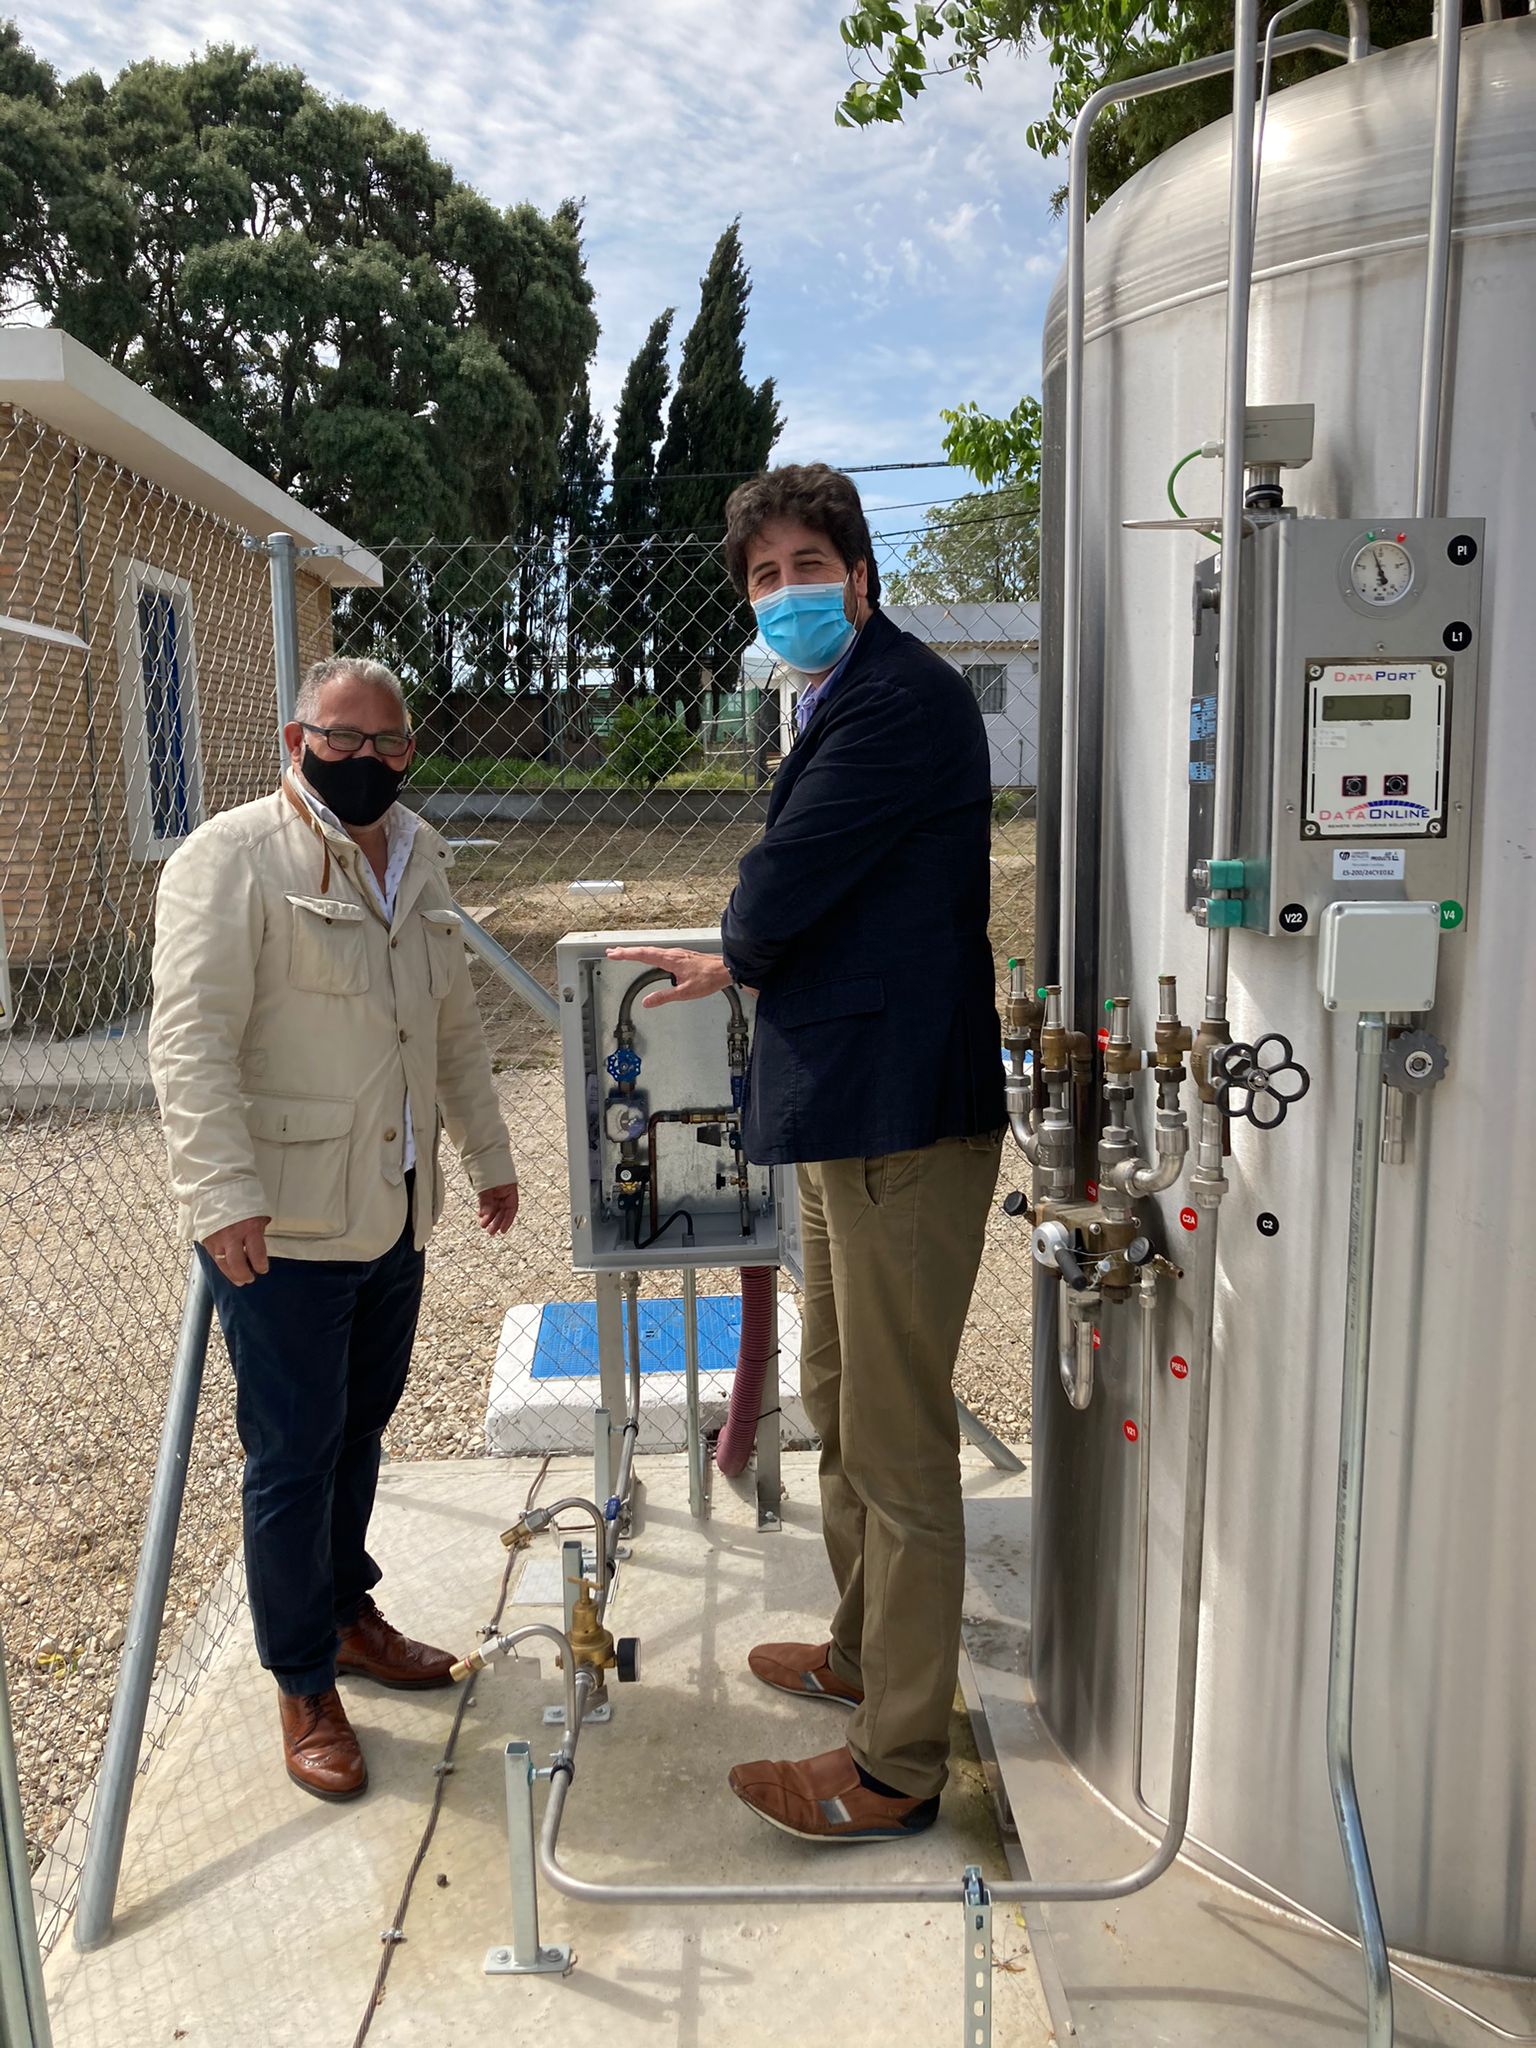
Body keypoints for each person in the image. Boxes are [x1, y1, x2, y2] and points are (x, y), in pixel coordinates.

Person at [610, 463, 1004, 1844]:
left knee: (897, 1444)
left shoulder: (896, 699)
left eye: (807, 567)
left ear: (862, 576)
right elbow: (817, 902)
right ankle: (857, 1653)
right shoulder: (840, 699)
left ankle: (897, 1764)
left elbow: (776, 898)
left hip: (902, 1113)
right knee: (838, 1396)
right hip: (851, 1110)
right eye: (765, 576)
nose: (786, 593)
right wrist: (738, 954)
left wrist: (743, 939)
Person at [148, 656, 518, 1802]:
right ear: (295, 738)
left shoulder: (420, 855)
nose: (364, 759)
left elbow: (452, 1028)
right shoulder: (231, 857)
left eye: (386, 742)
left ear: (409, 751)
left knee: (360, 1428)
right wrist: (220, 1193)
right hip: (287, 1222)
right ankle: (303, 1679)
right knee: (293, 1452)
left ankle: (347, 1611)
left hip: (393, 1209)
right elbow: (190, 1039)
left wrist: (488, 1155)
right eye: (341, 738)